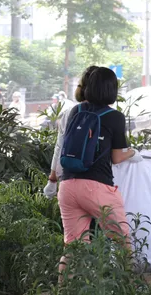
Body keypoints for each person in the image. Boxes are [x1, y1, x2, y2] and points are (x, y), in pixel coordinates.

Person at [56, 67, 141, 281]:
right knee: (123, 243)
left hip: (67, 186)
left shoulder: (76, 111)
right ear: (112, 89)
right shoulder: (114, 117)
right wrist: (133, 152)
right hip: (97, 188)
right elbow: (116, 157)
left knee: (73, 247)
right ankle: (131, 293)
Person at [45, 66, 98, 195]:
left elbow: (60, 146)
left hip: (69, 181)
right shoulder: (109, 115)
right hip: (98, 184)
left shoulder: (70, 113)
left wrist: (52, 179)